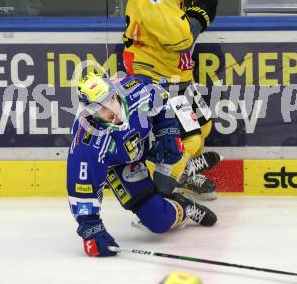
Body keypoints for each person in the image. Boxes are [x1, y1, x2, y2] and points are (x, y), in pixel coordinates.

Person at [67, 71, 217, 257]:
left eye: (110, 100)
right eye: (101, 108)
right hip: (120, 163)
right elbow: (82, 187)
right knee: (159, 221)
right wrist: (91, 229)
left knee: (177, 149)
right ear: (90, 111)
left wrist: (166, 132)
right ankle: (184, 206)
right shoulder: (87, 141)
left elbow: (163, 99)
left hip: (146, 140)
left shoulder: (136, 90)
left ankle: (183, 171)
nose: (111, 111)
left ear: (115, 92)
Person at [122, 0, 220, 201]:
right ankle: (161, 197)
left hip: (176, 75)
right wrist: (201, 16)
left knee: (203, 126)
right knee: (188, 140)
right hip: (158, 81)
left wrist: (194, 3)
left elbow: (173, 16)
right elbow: (180, 39)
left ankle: (184, 175)